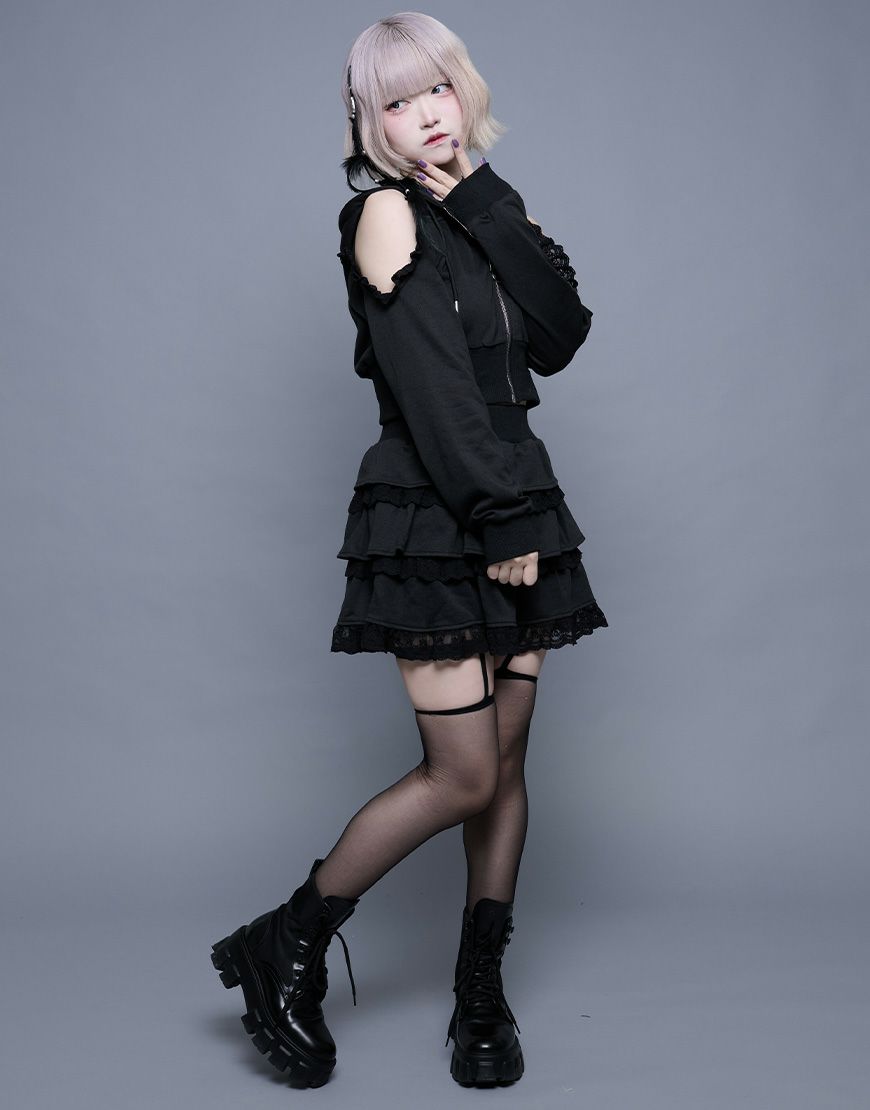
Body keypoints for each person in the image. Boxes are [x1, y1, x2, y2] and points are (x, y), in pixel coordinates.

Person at [211, 11, 608, 1090]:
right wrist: (501, 517)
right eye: (397, 101)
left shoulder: (491, 208)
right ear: (369, 122)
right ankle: (286, 940)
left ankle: (479, 993)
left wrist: (483, 200)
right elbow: (433, 391)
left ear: (464, 88)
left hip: (517, 487)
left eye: (437, 87)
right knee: (462, 773)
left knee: (508, 765)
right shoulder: (381, 215)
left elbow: (563, 336)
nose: (426, 113)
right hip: (441, 510)